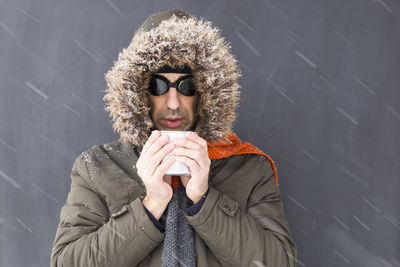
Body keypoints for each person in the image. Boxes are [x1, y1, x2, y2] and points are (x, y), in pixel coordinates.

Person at [50, 9, 297, 267]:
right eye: (158, 85)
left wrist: (204, 199)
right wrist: (151, 205)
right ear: (138, 91)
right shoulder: (97, 168)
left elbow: (280, 263)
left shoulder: (250, 168)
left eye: (186, 86)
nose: (173, 103)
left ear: (206, 91)